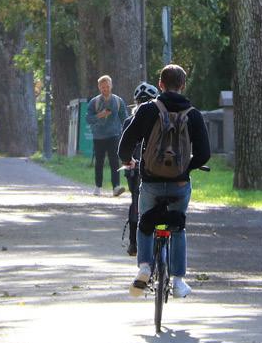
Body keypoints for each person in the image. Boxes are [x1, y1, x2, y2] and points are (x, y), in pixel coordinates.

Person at [118, 64, 210, 299]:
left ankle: (145, 267)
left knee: (145, 223)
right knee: (177, 227)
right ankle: (178, 280)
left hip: (150, 181)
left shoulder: (148, 110)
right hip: (179, 184)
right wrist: (185, 167)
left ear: (160, 84)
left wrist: (128, 160)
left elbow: (126, 142)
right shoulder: (193, 115)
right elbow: (204, 154)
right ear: (183, 86)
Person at [120, 81, 161, 256]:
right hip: (157, 168)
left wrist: (128, 161)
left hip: (136, 168)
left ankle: (134, 244)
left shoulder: (130, 120)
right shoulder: (162, 118)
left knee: (136, 201)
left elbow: (124, 146)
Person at [86, 74, 127, 197]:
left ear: (111, 86)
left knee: (115, 162)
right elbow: (88, 119)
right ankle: (98, 187)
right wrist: (100, 115)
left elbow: (125, 118)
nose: (105, 89)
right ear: (99, 87)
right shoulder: (94, 102)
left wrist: (126, 133)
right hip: (98, 136)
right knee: (99, 162)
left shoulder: (118, 101)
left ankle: (116, 187)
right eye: (103, 87)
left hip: (114, 135)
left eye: (107, 86)